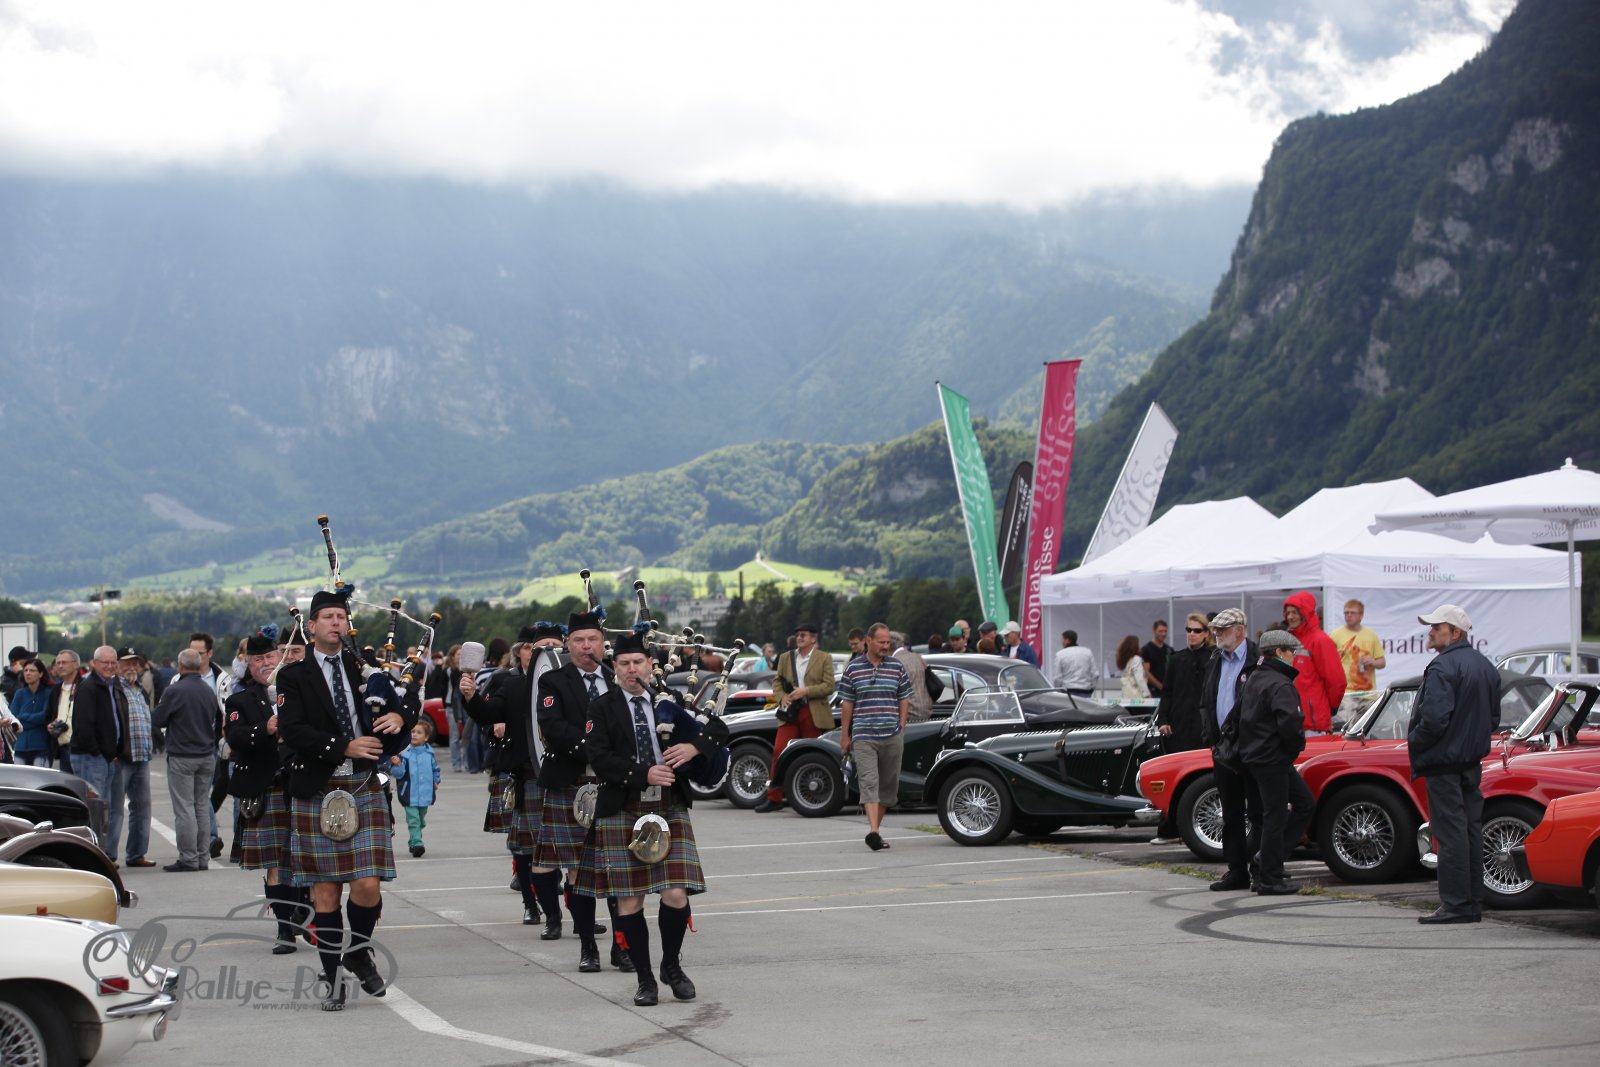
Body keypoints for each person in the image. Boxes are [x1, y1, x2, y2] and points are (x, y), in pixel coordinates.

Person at [572, 630, 726, 1006]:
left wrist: (693, 747)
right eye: (624, 663)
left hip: (669, 807)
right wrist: (643, 774)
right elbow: (599, 757)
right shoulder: (602, 708)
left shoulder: (668, 700)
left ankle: (671, 965)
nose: (631, 669)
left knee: (675, 894)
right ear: (614, 667)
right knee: (630, 902)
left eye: (638, 662)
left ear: (650, 665)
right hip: (622, 807)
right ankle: (645, 979)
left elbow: (718, 729)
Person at [278, 588, 415, 1011]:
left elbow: (403, 707)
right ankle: (333, 977)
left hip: (362, 783)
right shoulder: (293, 676)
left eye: (341, 616)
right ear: (312, 626)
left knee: (368, 884)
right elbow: (293, 730)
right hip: (317, 786)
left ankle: (356, 950)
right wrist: (343, 746)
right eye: (328, 617)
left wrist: (400, 717)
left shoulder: (365, 667)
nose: (336, 623)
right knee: (324, 892)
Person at [462, 621, 573, 933]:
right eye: (536, 647)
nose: (547, 651)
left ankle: (581, 917)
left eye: (555, 646)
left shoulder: (575, 683)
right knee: (529, 851)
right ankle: (538, 908)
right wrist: (471, 697)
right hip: (528, 774)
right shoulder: (512, 685)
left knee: (574, 853)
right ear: (524, 653)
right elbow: (488, 714)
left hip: (567, 776)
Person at [533, 609, 621, 973]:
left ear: (603, 643)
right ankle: (588, 947)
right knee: (580, 872)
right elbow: (553, 728)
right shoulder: (553, 681)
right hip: (571, 783)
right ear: (568, 645)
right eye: (579, 641)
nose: (587, 647)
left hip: (614, 785)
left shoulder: (618, 678)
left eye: (593, 640)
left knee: (617, 872)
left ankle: (621, 946)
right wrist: (600, 749)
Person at [1408, 604, 1501, 925]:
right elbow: (1493, 719)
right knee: (1470, 831)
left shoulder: (1443, 666)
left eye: (1437, 627)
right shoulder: (1485, 666)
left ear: (1455, 632)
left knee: (1450, 834)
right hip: (1470, 761)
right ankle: (1471, 902)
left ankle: (1457, 904)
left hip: (1443, 762)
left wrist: (1416, 741)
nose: (1430, 632)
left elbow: (1434, 719)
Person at [228, 625, 308, 954]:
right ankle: (284, 929)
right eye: (258, 659)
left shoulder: (299, 690)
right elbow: (235, 738)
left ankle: (304, 912)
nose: (266, 663)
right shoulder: (239, 700)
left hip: (302, 785)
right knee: (276, 863)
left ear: (280, 657)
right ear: (249, 665)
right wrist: (265, 728)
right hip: (268, 788)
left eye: (270, 657)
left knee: (307, 858)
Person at [1235, 630, 1314, 895]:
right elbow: (1291, 725)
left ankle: (1266, 862)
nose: (1295, 656)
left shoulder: (1254, 678)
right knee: (1276, 815)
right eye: (1291, 651)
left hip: (1254, 756)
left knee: (1300, 805)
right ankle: (1269, 876)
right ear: (1279, 652)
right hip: (1272, 758)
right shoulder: (1280, 684)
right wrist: (1292, 751)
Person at [1198, 608, 1261, 893]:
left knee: (1258, 811)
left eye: (1222, 629)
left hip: (1251, 746)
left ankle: (1260, 868)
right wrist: (1211, 737)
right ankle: (1236, 871)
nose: (1217, 634)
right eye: (1215, 629)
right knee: (1231, 813)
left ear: (1240, 630)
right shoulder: (1216, 659)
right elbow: (1206, 700)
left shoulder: (1257, 658)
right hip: (1223, 747)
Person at [837, 622, 912, 852]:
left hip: (891, 734)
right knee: (869, 782)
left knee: (888, 786)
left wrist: (902, 725)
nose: (885, 646)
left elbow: (904, 697)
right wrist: (845, 734)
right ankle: (874, 832)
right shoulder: (853, 668)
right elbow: (847, 703)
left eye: (888, 642)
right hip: (864, 735)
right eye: (881, 642)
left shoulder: (896, 666)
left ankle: (874, 831)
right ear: (868, 641)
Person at [754, 622, 836, 813]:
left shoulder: (824, 658)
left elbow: (829, 686)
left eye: (804, 635)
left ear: (813, 639)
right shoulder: (786, 657)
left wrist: (806, 691)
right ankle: (774, 797)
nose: (799, 637)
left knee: (812, 753)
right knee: (779, 751)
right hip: (790, 711)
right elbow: (777, 682)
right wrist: (781, 697)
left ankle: (810, 795)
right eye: (798, 634)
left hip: (813, 711)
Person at [152, 649, 220, 873]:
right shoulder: (208, 690)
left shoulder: (174, 691)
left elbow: (159, 719)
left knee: (184, 808)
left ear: (180, 666)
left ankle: (188, 857)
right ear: (199, 666)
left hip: (182, 754)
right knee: (201, 805)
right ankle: (202, 856)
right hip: (206, 754)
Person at [107, 648, 156, 869]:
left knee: (142, 808)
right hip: (122, 757)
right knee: (115, 808)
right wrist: (113, 751)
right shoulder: (114, 688)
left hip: (142, 755)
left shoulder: (140, 690)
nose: (131, 667)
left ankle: (136, 853)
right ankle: (109, 855)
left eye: (134, 663)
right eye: (126, 663)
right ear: (117, 665)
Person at [70, 646, 130, 804]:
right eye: (105, 662)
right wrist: (97, 752)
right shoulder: (88, 687)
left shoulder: (111, 685)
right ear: (94, 663)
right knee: (94, 805)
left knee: (103, 805)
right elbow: (83, 726)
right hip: (91, 757)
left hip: (106, 756)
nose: (110, 666)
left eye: (113, 662)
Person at [1281, 592, 1345, 734]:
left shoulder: (1320, 641)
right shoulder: (1288, 641)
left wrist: (1331, 709)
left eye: (1294, 612)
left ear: (1305, 613)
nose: (1290, 617)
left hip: (1313, 724)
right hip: (1290, 720)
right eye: (1287, 613)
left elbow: (1336, 681)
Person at [1154, 614, 1213, 754]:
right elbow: (1167, 692)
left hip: (1203, 727)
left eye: (1197, 630)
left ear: (1206, 633)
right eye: (1189, 630)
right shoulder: (1176, 659)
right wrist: (1163, 720)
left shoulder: (1213, 659)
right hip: (1178, 726)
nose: (1192, 634)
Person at [392, 720, 441, 858]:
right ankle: (418, 843)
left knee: (421, 821)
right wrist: (397, 765)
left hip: (426, 794)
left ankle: (413, 842)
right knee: (414, 820)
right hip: (409, 794)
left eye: (419, 732)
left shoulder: (429, 754)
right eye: (412, 732)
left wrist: (435, 781)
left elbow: (435, 770)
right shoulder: (405, 755)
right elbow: (399, 774)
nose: (414, 734)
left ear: (426, 737)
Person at [1329, 599, 1387, 693]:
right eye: (1346, 613)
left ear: (1361, 615)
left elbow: (1382, 663)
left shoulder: (1371, 635)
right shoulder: (1335, 635)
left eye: (1352, 613)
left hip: (1368, 693)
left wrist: (1373, 662)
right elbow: (1327, 662)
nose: (1349, 615)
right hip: (1345, 693)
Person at [8, 659, 54, 766]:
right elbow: (13, 718)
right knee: (19, 776)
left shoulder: (48, 693)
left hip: (41, 747)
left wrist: (22, 716)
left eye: (32, 670)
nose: (28, 673)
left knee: (40, 776)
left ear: (41, 674)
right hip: (20, 746)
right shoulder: (20, 693)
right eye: (26, 670)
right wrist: (32, 720)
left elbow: (44, 717)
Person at [47, 650, 82, 774]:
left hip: (81, 749)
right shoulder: (56, 689)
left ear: (76, 664)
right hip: (62, 747)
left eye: (64, 662)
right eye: (58, 663)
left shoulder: (85, 686)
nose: (61, 666)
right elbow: (50, 714)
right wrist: (50, 725)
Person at [1053, 630, 1095, 695]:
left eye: (1063, 639)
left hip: (1068, 691)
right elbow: (1094, 674)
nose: (1062, 642)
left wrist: (1058, 690)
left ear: (1067, 640)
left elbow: (1057, 677)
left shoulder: (1060, 655)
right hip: (1085, 691)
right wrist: (1092, 688)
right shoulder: (1088, 652)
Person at [1140, 621, 1172, 695]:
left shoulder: (1169, 650)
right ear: (1154, 631)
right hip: (1151, 692)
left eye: (1165, 631)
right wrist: (1161, 687)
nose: (1163, 634)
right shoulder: (1146, 649)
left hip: (1167, 692)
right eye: (1160, 631)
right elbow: (1146, 673)